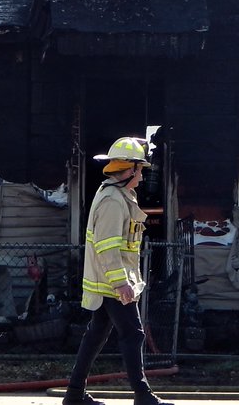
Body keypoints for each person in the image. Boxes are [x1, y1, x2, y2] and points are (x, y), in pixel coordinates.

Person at [63, 137, 172, 405]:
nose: (143, 177)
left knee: (96, 334)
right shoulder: (113, 201)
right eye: (140, 170)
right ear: (129, 170)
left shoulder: (118, 195)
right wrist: (122, 283)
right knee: (133, 334)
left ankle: (74, 394)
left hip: (107, 282)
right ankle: (143, 396)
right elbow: (108, 248)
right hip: (113, 283)